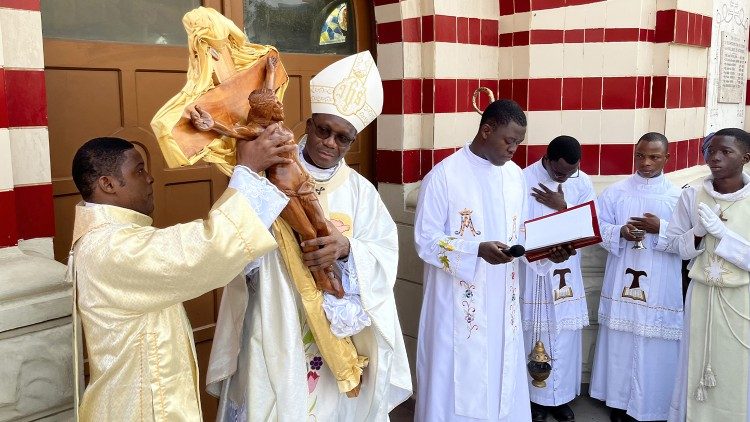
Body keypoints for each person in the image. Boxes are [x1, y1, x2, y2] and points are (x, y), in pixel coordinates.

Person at [206, 51, 412, 421]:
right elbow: (232, 241)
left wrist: (347, 248)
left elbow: (385, 257)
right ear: (308, 122)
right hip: (274, 316)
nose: (330, 143)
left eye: (343, 138)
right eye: (323, 130)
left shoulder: (363, 193)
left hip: (336, 337)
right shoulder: (264, 173)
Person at [68, 127, 294, 420]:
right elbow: (209, 247)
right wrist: (247, 170)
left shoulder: (111, 237)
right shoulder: (109, 248)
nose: (150, 178)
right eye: (139, 170)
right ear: (108, 184)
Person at [414, 99, 574, 422]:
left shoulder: (515, 177)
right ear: (486, 131)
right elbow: (424, 240)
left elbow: (522, 236)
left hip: (504, 305)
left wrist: (548, 253)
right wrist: (475, 250)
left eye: (519, 142)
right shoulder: (444, 176)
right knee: (458, 383)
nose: (515, 148)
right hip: (458, 308)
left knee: (503, 382)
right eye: (509, 140)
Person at [589, 132, 683, 422]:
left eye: (654, 156)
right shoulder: (616, 192)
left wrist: (661, 228)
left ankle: (653, 403)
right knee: (621, 339)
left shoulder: (678, 196)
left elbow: (690, 241)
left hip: (661, 280)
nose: (646, 162)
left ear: (667, 158)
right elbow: (595, 226)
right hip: (623, 277)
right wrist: (620, 232)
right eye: (640, 155)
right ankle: (618, 401)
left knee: (654, 342)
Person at [666, 128, 750, 421]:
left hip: (741, 297)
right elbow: (675, 246)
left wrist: (724, 235)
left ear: (746, 157)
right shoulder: (691, 194)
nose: (715, 157)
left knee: (737, 368)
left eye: (726, 152)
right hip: (701, 295)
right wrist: (698, 234)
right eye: (712, 150)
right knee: (696, 362)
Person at [520, 136, 595, 422]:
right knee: (534, 332)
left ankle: (560, 399)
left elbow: (590, 224)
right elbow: (514, 223)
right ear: (548, 158)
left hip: (566, 270)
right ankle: (534, 400)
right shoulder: (523, 179)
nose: (564, 176)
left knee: (564, 335)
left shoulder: (582, 182)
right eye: (559, 171)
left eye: (570, 172)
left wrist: (562, 206)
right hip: (534, 270)